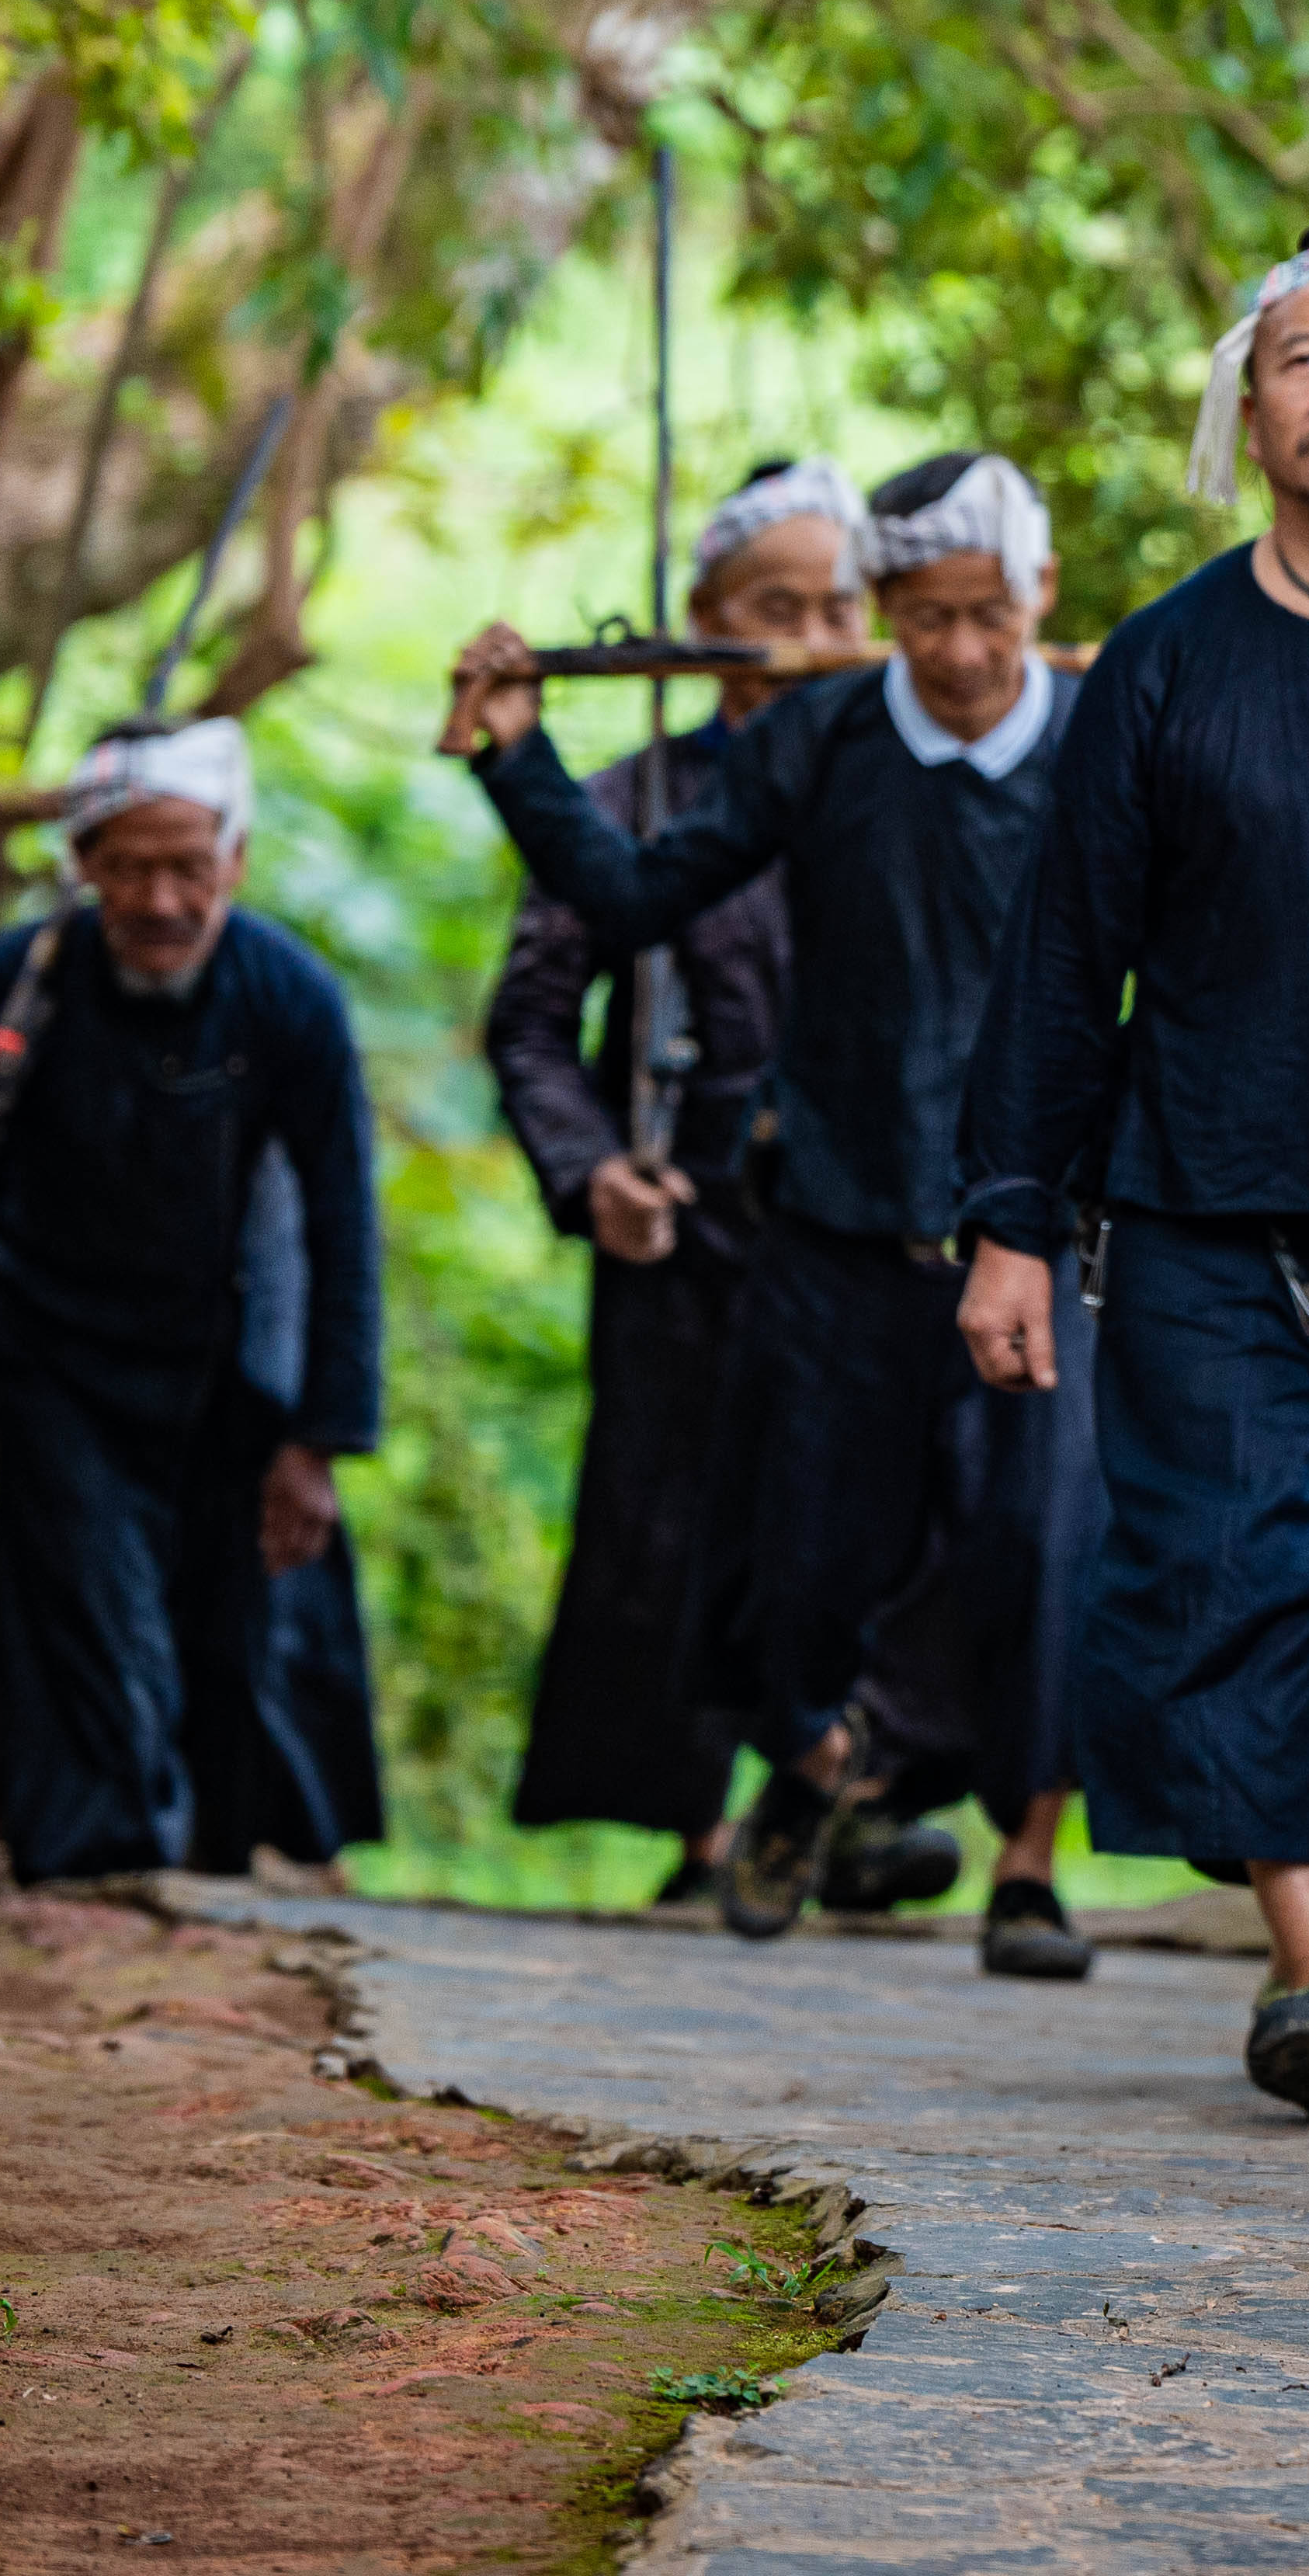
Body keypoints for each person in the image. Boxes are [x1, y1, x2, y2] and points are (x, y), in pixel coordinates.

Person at [444, 452, 1105, 1979]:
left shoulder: (1097, 735)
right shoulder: (815, 736)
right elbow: (627, 895)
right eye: (922, 615)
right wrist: (521, 760)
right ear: (882, 612)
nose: (955, 649)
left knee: (1035, 1539)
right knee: (797, 1559)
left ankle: (1026, 1863)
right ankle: (821, 1767)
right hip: (830, 1216)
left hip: (1032, 1224)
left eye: (987, 612)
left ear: (1041, 595)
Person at [957, 228, 1309, 2129]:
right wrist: (1013, 1215)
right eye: (1297, 359)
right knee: (1237, 1575)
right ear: (1247, 412)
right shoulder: (1168, 662)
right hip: (1211, 1213)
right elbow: (1059, 956)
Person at [0, 717, 390, 1890]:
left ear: (235, 862)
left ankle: (230, 1867)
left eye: (189, 867)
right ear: (84, 868)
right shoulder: (22, 979)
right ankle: (96, 1880)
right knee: (87, 1619)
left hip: (226, 1365)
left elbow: (342, 1226)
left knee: (240, 1634)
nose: (162, 899)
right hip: (61, 1360)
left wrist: (318, 1439)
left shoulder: (289, 997)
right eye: (131, 867)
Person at [481, 460, 863, 1903]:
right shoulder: (632, 800)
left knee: (862, 1516)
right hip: (684, 1229)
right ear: (706, 618)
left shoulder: (898, 784)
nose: (809, 633)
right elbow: (529, 1021)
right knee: (671, 1515)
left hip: (856, 1226)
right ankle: (698, 1832)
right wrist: (593, 1174)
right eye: (776, 606)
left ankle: (832, 1803)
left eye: (838, 607)